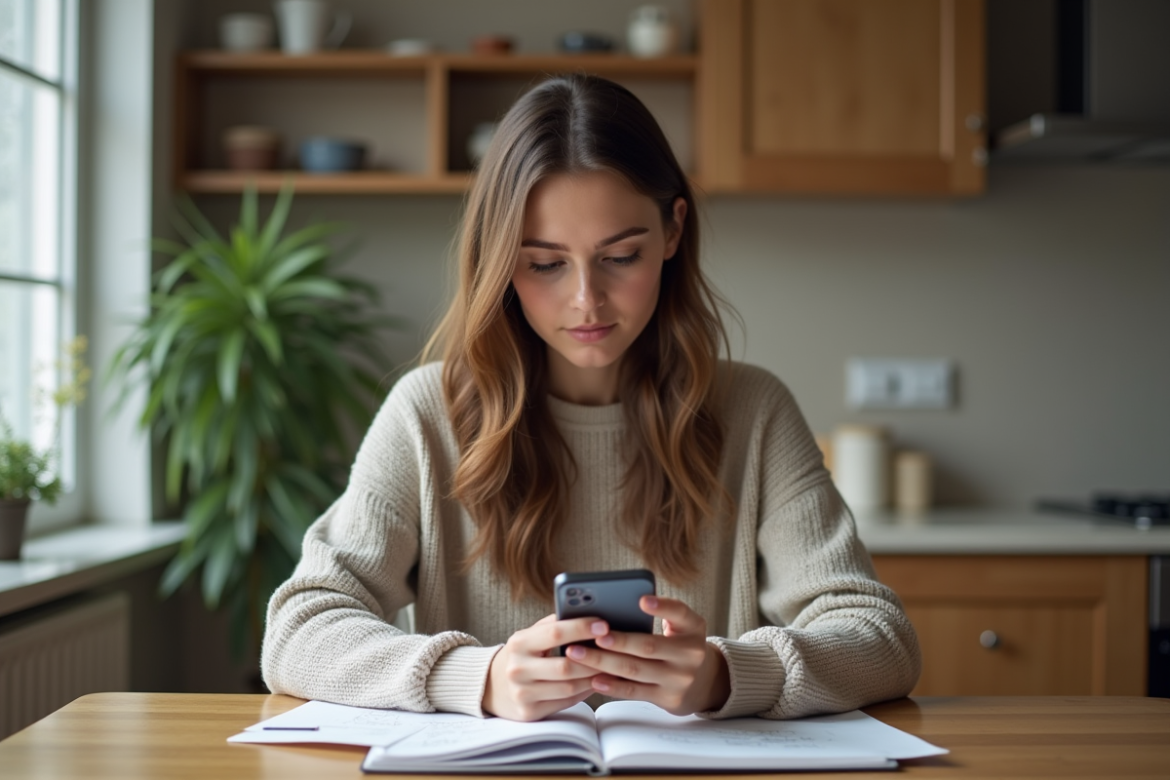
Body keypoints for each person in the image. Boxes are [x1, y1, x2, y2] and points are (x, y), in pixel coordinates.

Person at [261, 74, 921, 722]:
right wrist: (479, 678)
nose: (586, 300)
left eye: (621, 256)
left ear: (672, 232)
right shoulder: (425, 413)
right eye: (545, 263)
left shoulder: (753, 410)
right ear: (499, 260)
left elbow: (881, 639)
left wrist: (726, 674)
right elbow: (298, 633)